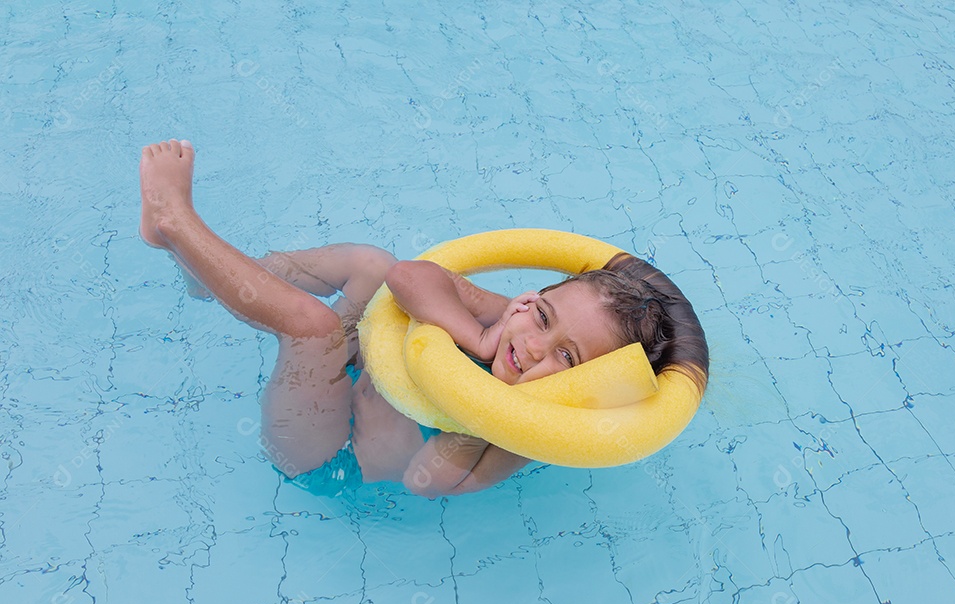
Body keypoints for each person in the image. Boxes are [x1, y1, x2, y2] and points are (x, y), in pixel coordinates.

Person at [138, 139, 709, 497]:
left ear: (585, 387)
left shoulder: (524, 436)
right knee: (369, 262)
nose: (534, 346)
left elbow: (424, 479)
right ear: (530, 300)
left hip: (329, 455)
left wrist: (489, 419)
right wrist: (477, 334)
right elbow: (407, 277)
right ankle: (201, 272)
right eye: (543, 318)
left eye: (567, 357)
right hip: (364, 375)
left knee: (310, 328)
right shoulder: (503, 326)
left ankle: (176, 222)